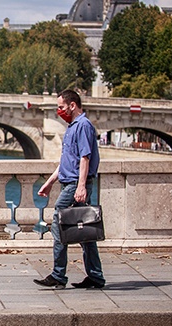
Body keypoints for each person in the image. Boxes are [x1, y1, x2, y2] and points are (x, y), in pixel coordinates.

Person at [33, 89, 105, 289]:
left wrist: (81, 186)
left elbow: (85, 158)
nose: (59, 111)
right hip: (71, 182)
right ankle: (96, 277)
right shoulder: (72, 126)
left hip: (75, 185)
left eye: (61, 107)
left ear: (72, 105)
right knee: (86, 231)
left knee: (58, 224)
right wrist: (50, 182)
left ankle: (58, 275)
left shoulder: (83, 126)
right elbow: (67, 161)